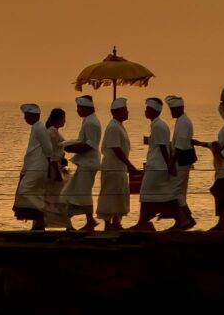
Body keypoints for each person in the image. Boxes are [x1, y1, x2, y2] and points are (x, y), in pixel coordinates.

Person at [14, 103, 55, 231]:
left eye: (26, 115)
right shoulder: (36, 127)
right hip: (34, 165)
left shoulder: (39, 128)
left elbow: (48, 149)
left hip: (38, 166)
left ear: (33, 116)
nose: (25, 118)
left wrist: (47, 163)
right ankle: (38, 221)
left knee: (25, 190)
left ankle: (42, 215)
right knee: (34, 192)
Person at [64, 95, 101, 233]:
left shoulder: (91, 122)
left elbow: (89, 145)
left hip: (89, 163)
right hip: (87, 162)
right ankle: (85, 219)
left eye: (79, 108)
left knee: (83, 192)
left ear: (86, 108)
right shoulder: (88, 121)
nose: (77, 110)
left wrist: (70, 148)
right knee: (78, 190)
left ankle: (90, 221)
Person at [96, 97, 133, 232]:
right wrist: (129, 165)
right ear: (118, 112)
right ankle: (108, 223)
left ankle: (117, 222)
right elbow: (116, 148)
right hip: (113, 167)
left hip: (119, 168)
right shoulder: (113, 127)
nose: (128, 112)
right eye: (125, 110)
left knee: (120, 194)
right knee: (110, 194)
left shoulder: (119, 126)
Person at [140, 96, 178, 229]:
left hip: (157, 166)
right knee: (160, 194)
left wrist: (169, 165)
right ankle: (144, 222)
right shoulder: (157, 125)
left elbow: (163, 147)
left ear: (153, 110)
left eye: (147, 109)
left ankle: (142, 222)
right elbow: (158, 143)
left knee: (145, 194)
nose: (145, 111)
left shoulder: (159, 126)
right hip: (156, 165)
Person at [167, 96, 197, 222]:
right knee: (180, 192)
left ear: (181, 109)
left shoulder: (184, 122)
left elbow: (180, 145)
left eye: (174, 109)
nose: (172, 112)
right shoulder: (181, 120)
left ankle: (185, 219)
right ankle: (184, 219)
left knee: (174, 192)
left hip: (181, 160)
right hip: (182, 159)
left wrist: (172, 163)